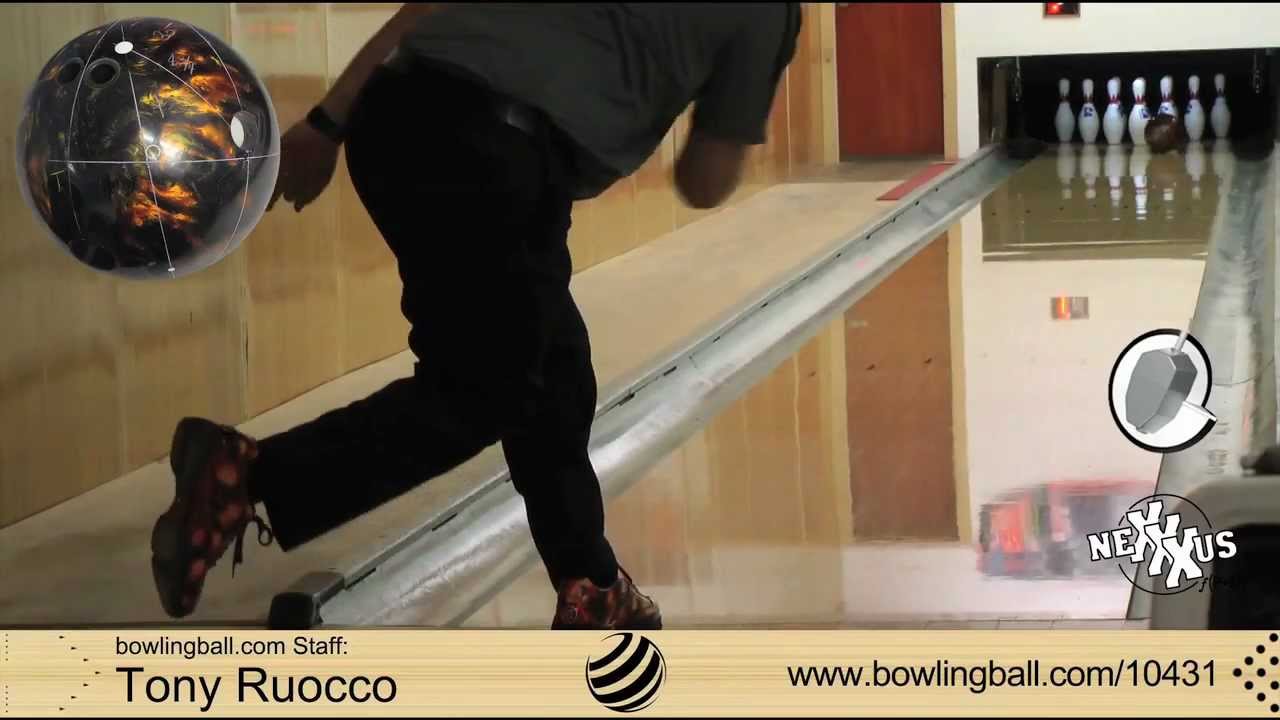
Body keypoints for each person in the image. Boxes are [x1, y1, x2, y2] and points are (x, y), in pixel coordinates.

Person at [150, 3, 801, 630]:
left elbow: (427, 9)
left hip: (393, 113)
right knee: (484, 392)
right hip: (496, 149)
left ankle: (593, 585)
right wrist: (732, 103)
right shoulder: (769, 11)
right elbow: (703, 180)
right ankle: (243, 474)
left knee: (553, 370)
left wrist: (326, 123)